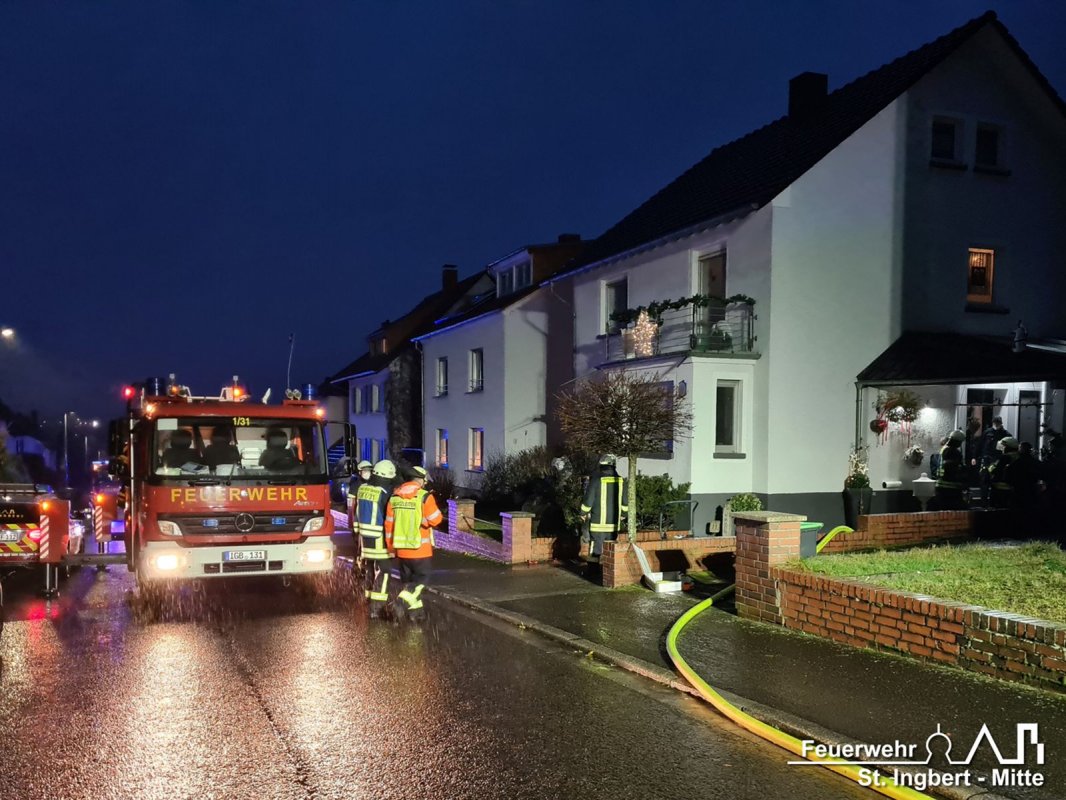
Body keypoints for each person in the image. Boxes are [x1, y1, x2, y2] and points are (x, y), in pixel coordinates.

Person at [384, 466, 443, 622]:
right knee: (419, 584)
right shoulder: (424, 497)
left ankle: (416, 614)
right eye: (425, 480)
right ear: (421, 480)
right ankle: (400, 603)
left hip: (401, 552)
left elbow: (389, 525)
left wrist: (390, 548)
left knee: (409, 583)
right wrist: (424, 521)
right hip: (420, 550)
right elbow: (437, 519)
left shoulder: (394, 497)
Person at [355, 459, 397, 618]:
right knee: (385, 571)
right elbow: (388, 517)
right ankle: (377, 607)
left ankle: (367, 599)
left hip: (365, 538)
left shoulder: (362, 489)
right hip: (379, 537)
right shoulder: (384, 493)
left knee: (370, 569)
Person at [580, 454, 628, 560]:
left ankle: (593, 572)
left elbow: (589, 500)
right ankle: (607, 574)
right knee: (610, 551)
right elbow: (625, 503)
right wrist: (624, 515)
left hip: (597, 525)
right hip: (613, 525)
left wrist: (583, 513)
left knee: (595, 551)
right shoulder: (621, 481)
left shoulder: (596, 480)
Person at [975, 416, 1011, 505]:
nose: (996, 424)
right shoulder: (987, 432)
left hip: (997, 461)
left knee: (995, 481)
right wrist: (974, 456)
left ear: (1001, 423)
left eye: (998, 422)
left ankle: (992, 502)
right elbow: (980, 445)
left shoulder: (1006, 434)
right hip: (987, 460)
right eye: (995, 422)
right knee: (984, 481)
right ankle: (984, 502)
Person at [934, 430, 967, 510]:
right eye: (960, 442)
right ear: (957, 441)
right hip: (950, 488)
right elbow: (953, 469)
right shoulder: (953, 451)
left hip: (940, 486)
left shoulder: (944, 449)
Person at [988, 436, 1020, 509]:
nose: (1002, 448)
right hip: (1013, 489)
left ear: (1009, 447)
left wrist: (991, 468)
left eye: (1004, 446)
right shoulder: (1019, 457)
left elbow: (995, 470)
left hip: (1000, 489)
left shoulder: (1005, 457)